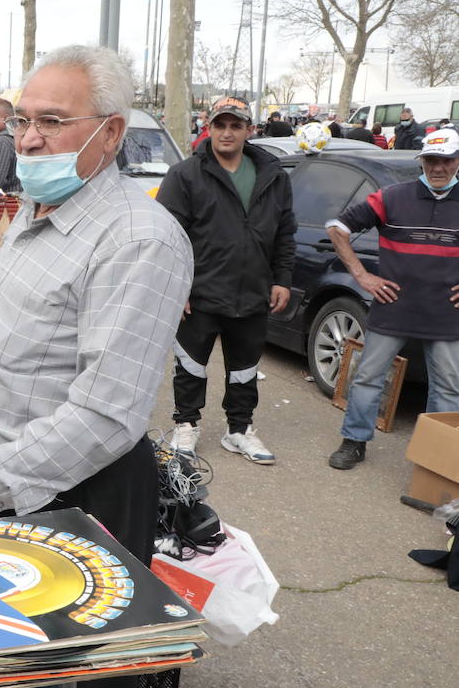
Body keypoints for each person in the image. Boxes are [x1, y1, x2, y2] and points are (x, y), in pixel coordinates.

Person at [0, 45, 192, 688]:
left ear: (111, 131)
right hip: (8, 482)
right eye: (23, 121)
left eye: (52, 121)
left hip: (73, 496)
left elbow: (105, 414)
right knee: (11, 680)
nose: (28, 137)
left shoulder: (138, 238)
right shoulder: (42, 205)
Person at [156, 95, 296, 464]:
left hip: (252, 292)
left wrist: (281, 278)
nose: (227, 132)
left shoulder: (274, 175)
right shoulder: (185, 174)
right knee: (190, 364)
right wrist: (176, 285)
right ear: (209, 128)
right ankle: (186, 424)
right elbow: (169, 235)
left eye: (236, 125)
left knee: (245, 369)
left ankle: (239, 430)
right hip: (200, 292)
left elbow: (285, 231)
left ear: (250, 130)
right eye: (220, 125)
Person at [325, 128, 459, 470]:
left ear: (458, 162)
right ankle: (354, 441)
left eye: (447, 160)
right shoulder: (393, 197)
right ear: (422, 161)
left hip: (446, 312)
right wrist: (361, 275)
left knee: (447, 388)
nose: (438, 167)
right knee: (369, 376)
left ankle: (434, 459)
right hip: (393, 305)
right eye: (431, 160)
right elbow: (337, 227)